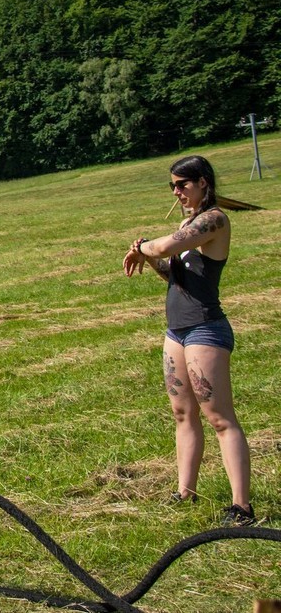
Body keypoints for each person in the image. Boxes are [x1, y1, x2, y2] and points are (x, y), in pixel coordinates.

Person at [123, 155, 255, 527]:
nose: (177, 191)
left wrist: (146, 245)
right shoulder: (188, 223)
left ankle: (241, 507)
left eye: (182, 184)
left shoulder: (214, 220)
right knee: (182, 414)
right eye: (172, 186)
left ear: (203, 182)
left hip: (205, 330)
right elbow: (173, 270)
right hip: (176, 331)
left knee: (219, 417)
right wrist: (148, 257)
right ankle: (185, 492)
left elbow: (165, 247)